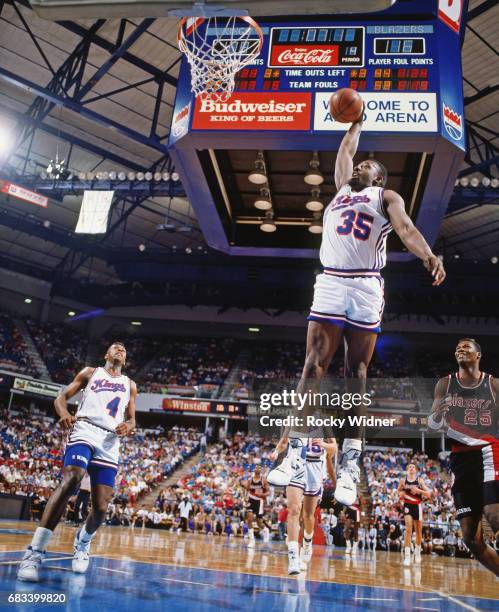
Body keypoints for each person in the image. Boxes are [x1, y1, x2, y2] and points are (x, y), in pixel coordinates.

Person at [268, 105, 445, 508]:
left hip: (366, 284)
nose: (357, 167)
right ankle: (295, 450)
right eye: (358, 165)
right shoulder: (341, 191)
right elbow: (345, 150)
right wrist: (358, 121)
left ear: (377, 177)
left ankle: (350, 461)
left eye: (365, 166)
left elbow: (406, 229)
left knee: (356, 372)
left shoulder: (387, 196)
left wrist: (428, 255)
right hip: (331, 280)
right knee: (313, 364)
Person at [17, 342, 137, 582]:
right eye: (115, 347)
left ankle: (82, 543)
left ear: (125, 359)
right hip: (84, 429)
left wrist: (128, 426)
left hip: (110, 441)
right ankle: (34, 553)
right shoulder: (90, 373)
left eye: (123, 349)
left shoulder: (130, 385)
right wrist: (64, 414)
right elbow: (61, 398)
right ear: (106, 354)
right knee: (73, 478)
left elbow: (133, 419)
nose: (120, 350)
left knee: (102, 507)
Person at [428, 338, 499, 577]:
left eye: (466, 347)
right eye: (457, 347)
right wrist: (438, 412)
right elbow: (432, 423)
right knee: (471, 538)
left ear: (478, 355)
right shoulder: (445, 384)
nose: (460, 349)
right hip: (461, 459)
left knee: (493, 515)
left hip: (489, 451)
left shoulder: (494, 384)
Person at [271, 433, 336, 574]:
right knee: (294, 510)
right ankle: (293, 557)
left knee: (308, 515)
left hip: (315, 469)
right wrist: (276, 451)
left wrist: (323, 444)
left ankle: (307, 542)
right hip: (295, 466)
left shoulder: (324, 423)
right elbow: (283, 442)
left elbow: (334, 448)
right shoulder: (293, 420)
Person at [398, 462, 432, 566]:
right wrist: (401, 495)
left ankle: (417, 553)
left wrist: (418, 490)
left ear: (416, 470)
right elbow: (399, 491)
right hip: (408, 505)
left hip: (418, 506)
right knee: (408, 529)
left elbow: (428, 493)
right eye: (410, 467)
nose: (411, 468)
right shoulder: (403, 481)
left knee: (418, 532)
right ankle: (407, 556)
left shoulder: (420, 480)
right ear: (407, 470)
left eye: (413, 467)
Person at [244, 465, 269, 548]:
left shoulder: (263, 480)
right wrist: (245, 497)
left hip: (259, 501)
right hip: (251, 501)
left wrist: (262, 494)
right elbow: (246, 490)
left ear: (261, 470)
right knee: (249, 519)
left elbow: (268, 492)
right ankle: (252, 540)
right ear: (254, 469)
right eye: (256, 467)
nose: (257, 469)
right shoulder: (250, 480)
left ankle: (266, 530)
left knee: (259, 522)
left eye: (259, 467)